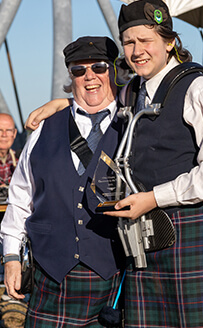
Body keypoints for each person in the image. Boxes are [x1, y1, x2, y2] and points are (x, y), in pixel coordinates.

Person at [25, 0, 203, 328]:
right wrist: (63, 103)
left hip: (198, 233)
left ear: (169, 42)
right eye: (129, 42)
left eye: (146, 40)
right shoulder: (135, 90)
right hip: (150, 240)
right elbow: (98, 94)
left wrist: (152, 199)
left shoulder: (198, 88)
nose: (137, 51)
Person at [0, 36, 126, 327]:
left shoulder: (132, 124)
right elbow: (20, 198)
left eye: (99, 67)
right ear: (71, 77)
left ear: (113, 72)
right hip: (51, 276)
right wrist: (10, 257)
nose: (89, 76)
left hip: (114, 275)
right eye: (79, 71)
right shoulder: (44, 128)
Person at [0, 113, 18, 204]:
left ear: (14, 133)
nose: (4, 134)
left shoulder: (22, 161)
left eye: (8, 130)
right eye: (0, 130)